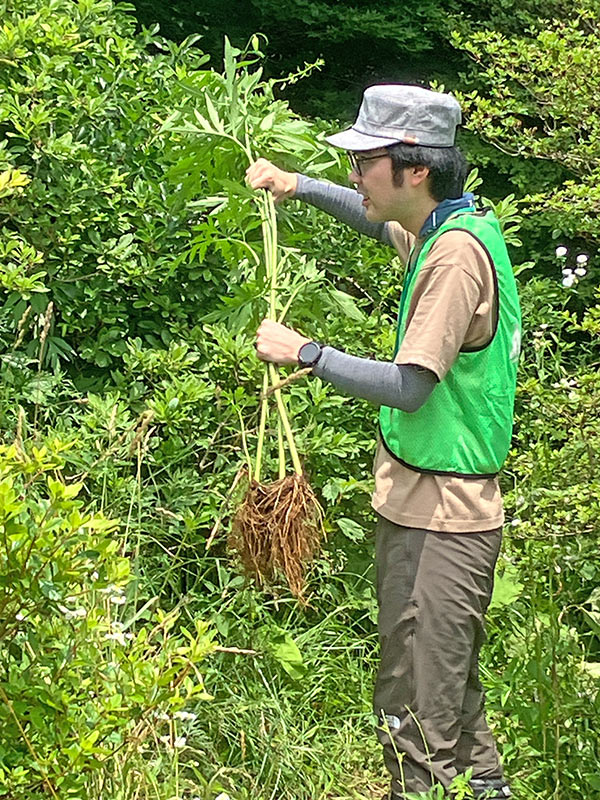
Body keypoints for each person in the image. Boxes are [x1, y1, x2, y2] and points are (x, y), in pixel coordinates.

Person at [247, 84, 520, 800]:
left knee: (415, 712)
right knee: (451, 697)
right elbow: (378, 225)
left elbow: (408, 386)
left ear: (415, 169)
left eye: (365, 162)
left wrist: (305, 352)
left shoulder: (455, 260)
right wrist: (296, 185)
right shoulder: (450, 227)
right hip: (433, 506)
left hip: (443, 517)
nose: (354, 176)